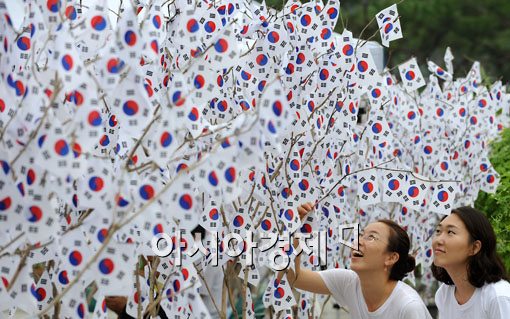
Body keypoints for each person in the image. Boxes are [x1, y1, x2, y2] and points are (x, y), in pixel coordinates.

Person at [280, 202, 432, 319]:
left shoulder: (408, 307)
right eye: (361, 235)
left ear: (391, 258)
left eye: (371, 237)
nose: (358, 241)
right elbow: (294, 278)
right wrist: (296, 230)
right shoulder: (349, 282)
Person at [431, 206, 510, 318]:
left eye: (450, 232)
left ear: (474, 247)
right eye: (438, 231)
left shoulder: (498, 296)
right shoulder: (444, 294)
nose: (438, 240)